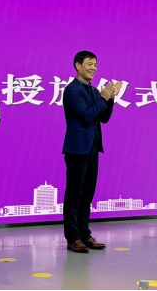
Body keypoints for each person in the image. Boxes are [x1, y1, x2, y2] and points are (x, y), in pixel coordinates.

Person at [62, 51, 122, 253]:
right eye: (89, 64)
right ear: (78, 65)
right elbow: (86, 115)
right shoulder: (72, 90)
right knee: (74, 195)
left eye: (95, 64)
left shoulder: (94, 91)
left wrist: (110, 98)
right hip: (77, 148)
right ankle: (73, 238)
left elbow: (103, 117)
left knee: (87, 195)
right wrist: (103, 98)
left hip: (93, 147)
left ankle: (85, 234)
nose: (94, 68)